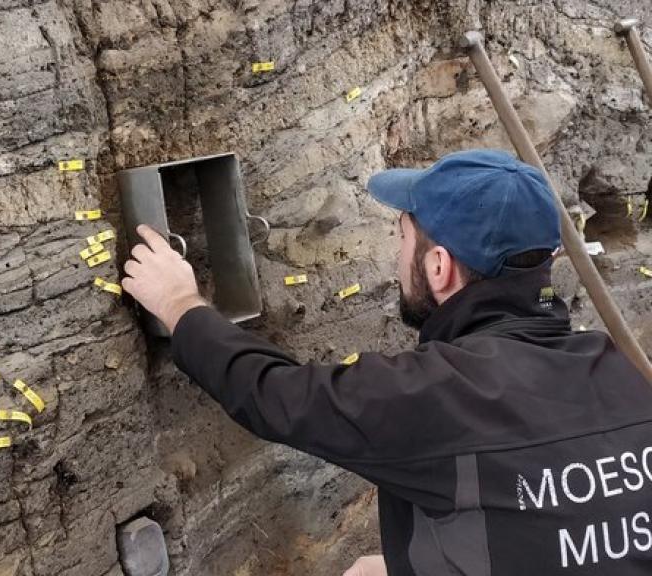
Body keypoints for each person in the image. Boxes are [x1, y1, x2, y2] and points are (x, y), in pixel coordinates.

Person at [121, 149, 652, 575]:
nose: (397, 259)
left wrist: (179, 305)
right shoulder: (624, 372)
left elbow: (274, 394)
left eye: (402, 238)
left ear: (439, 266)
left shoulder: (445, 395)